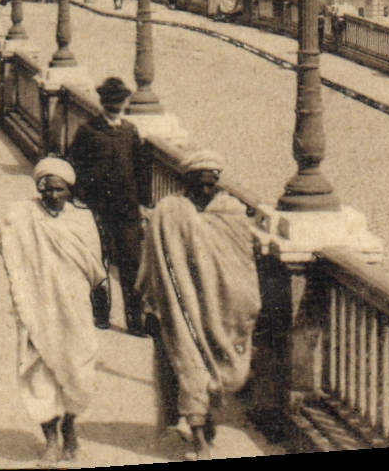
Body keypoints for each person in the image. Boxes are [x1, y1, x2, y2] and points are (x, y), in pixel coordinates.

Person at [137, 151, 261, 460]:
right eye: (197, 183)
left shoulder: (231, 212)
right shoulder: (168, 211)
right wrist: (149, 303)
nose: (204, 191)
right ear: (185, 181)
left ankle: (205, 427)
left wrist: (243, 301)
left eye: (210, 185)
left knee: (221, 371)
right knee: (192, 370)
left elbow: (243, 262)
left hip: (220, 309)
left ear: (217, 183)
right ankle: (199, 441)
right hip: (180, 307)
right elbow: (151, 260)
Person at [0, 157, 106, 466]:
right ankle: (51, 440)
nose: (52, 196)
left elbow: (95, 267)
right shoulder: (23, 215)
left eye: (59, 190)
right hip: (37, 308)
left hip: (74, 308)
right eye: (46, 189)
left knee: (79, 373)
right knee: (38, 373)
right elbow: (5, 244)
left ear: (69, 190)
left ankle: (69, 426)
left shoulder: (82, 220)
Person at [67, 76, 152, 335]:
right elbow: (74, 167)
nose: (115, 106)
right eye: (110, 101)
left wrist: (144, 204)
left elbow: (141, 171)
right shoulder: (88, 131)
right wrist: (81, 197)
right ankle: (101, 314)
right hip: (98, 210)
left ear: (125, 103)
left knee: (131, 265)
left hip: (127, 212)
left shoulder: (130, 132)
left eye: (119, 101)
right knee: (98, 263)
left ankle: (134, 321)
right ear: (103, 102)